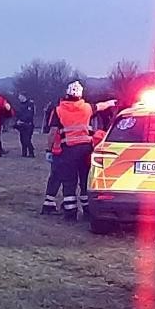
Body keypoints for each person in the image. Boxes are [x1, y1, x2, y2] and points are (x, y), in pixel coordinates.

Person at [43, 80, 103, 221]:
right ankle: (88, 211)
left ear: (67, 94)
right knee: (85, 181)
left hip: (68, 150)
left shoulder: (58, 110)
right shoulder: (87, 108)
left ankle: (70, 213)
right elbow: (100, 106)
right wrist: (113, 102)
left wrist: (48, 150)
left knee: (69, 182)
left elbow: (52, 132)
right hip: (86, 150)